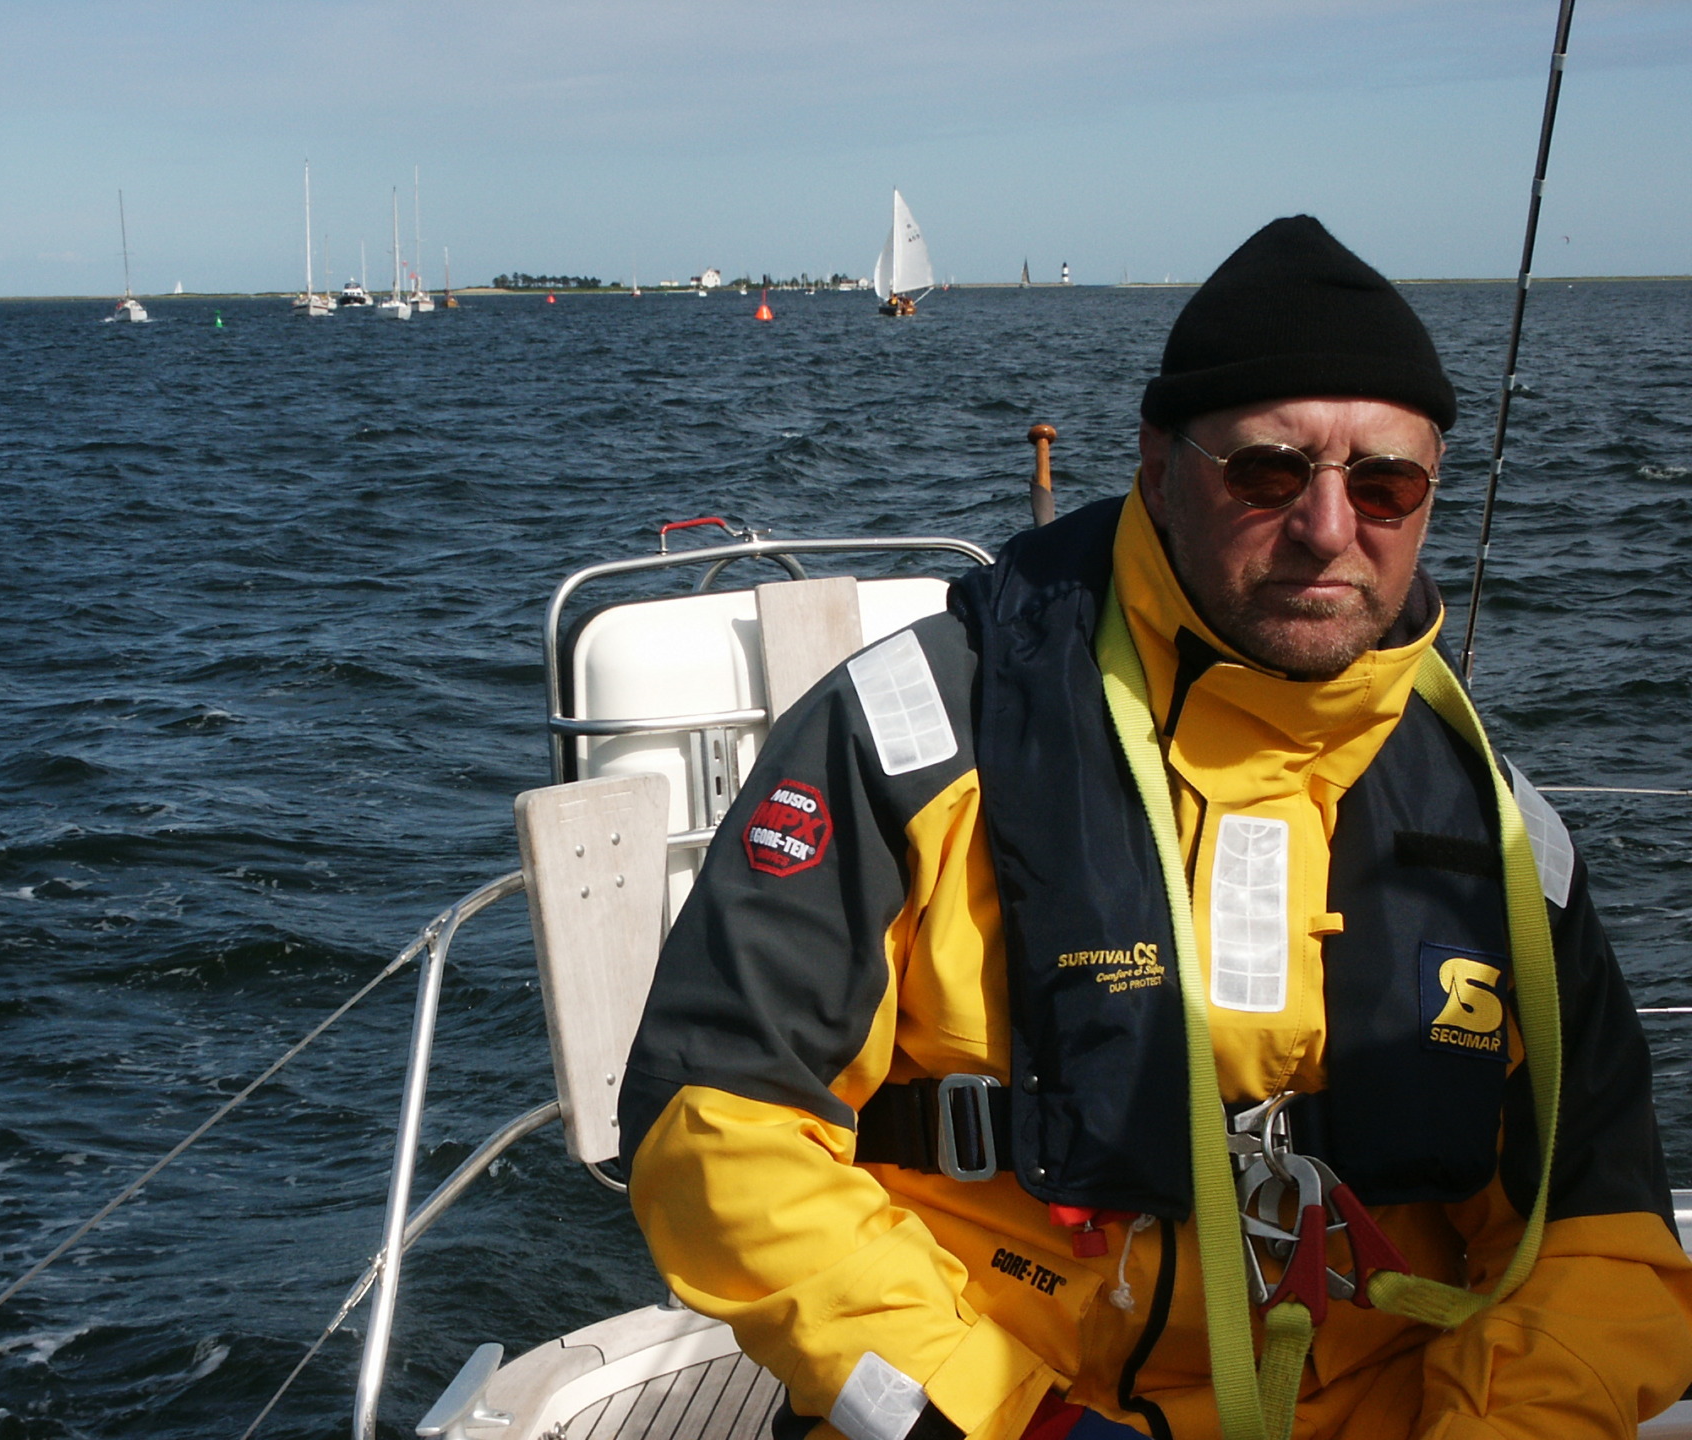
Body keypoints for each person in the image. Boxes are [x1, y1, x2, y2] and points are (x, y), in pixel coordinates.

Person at [618, 216, 1692, 1440]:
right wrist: (1007, 1418)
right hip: (994, 1403)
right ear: (1156, 466)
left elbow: (1601, 1244)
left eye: (1384, 484)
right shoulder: (913, 743)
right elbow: (718, 1128)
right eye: (1268, 473)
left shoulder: (1499, 836)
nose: (1329, 526)